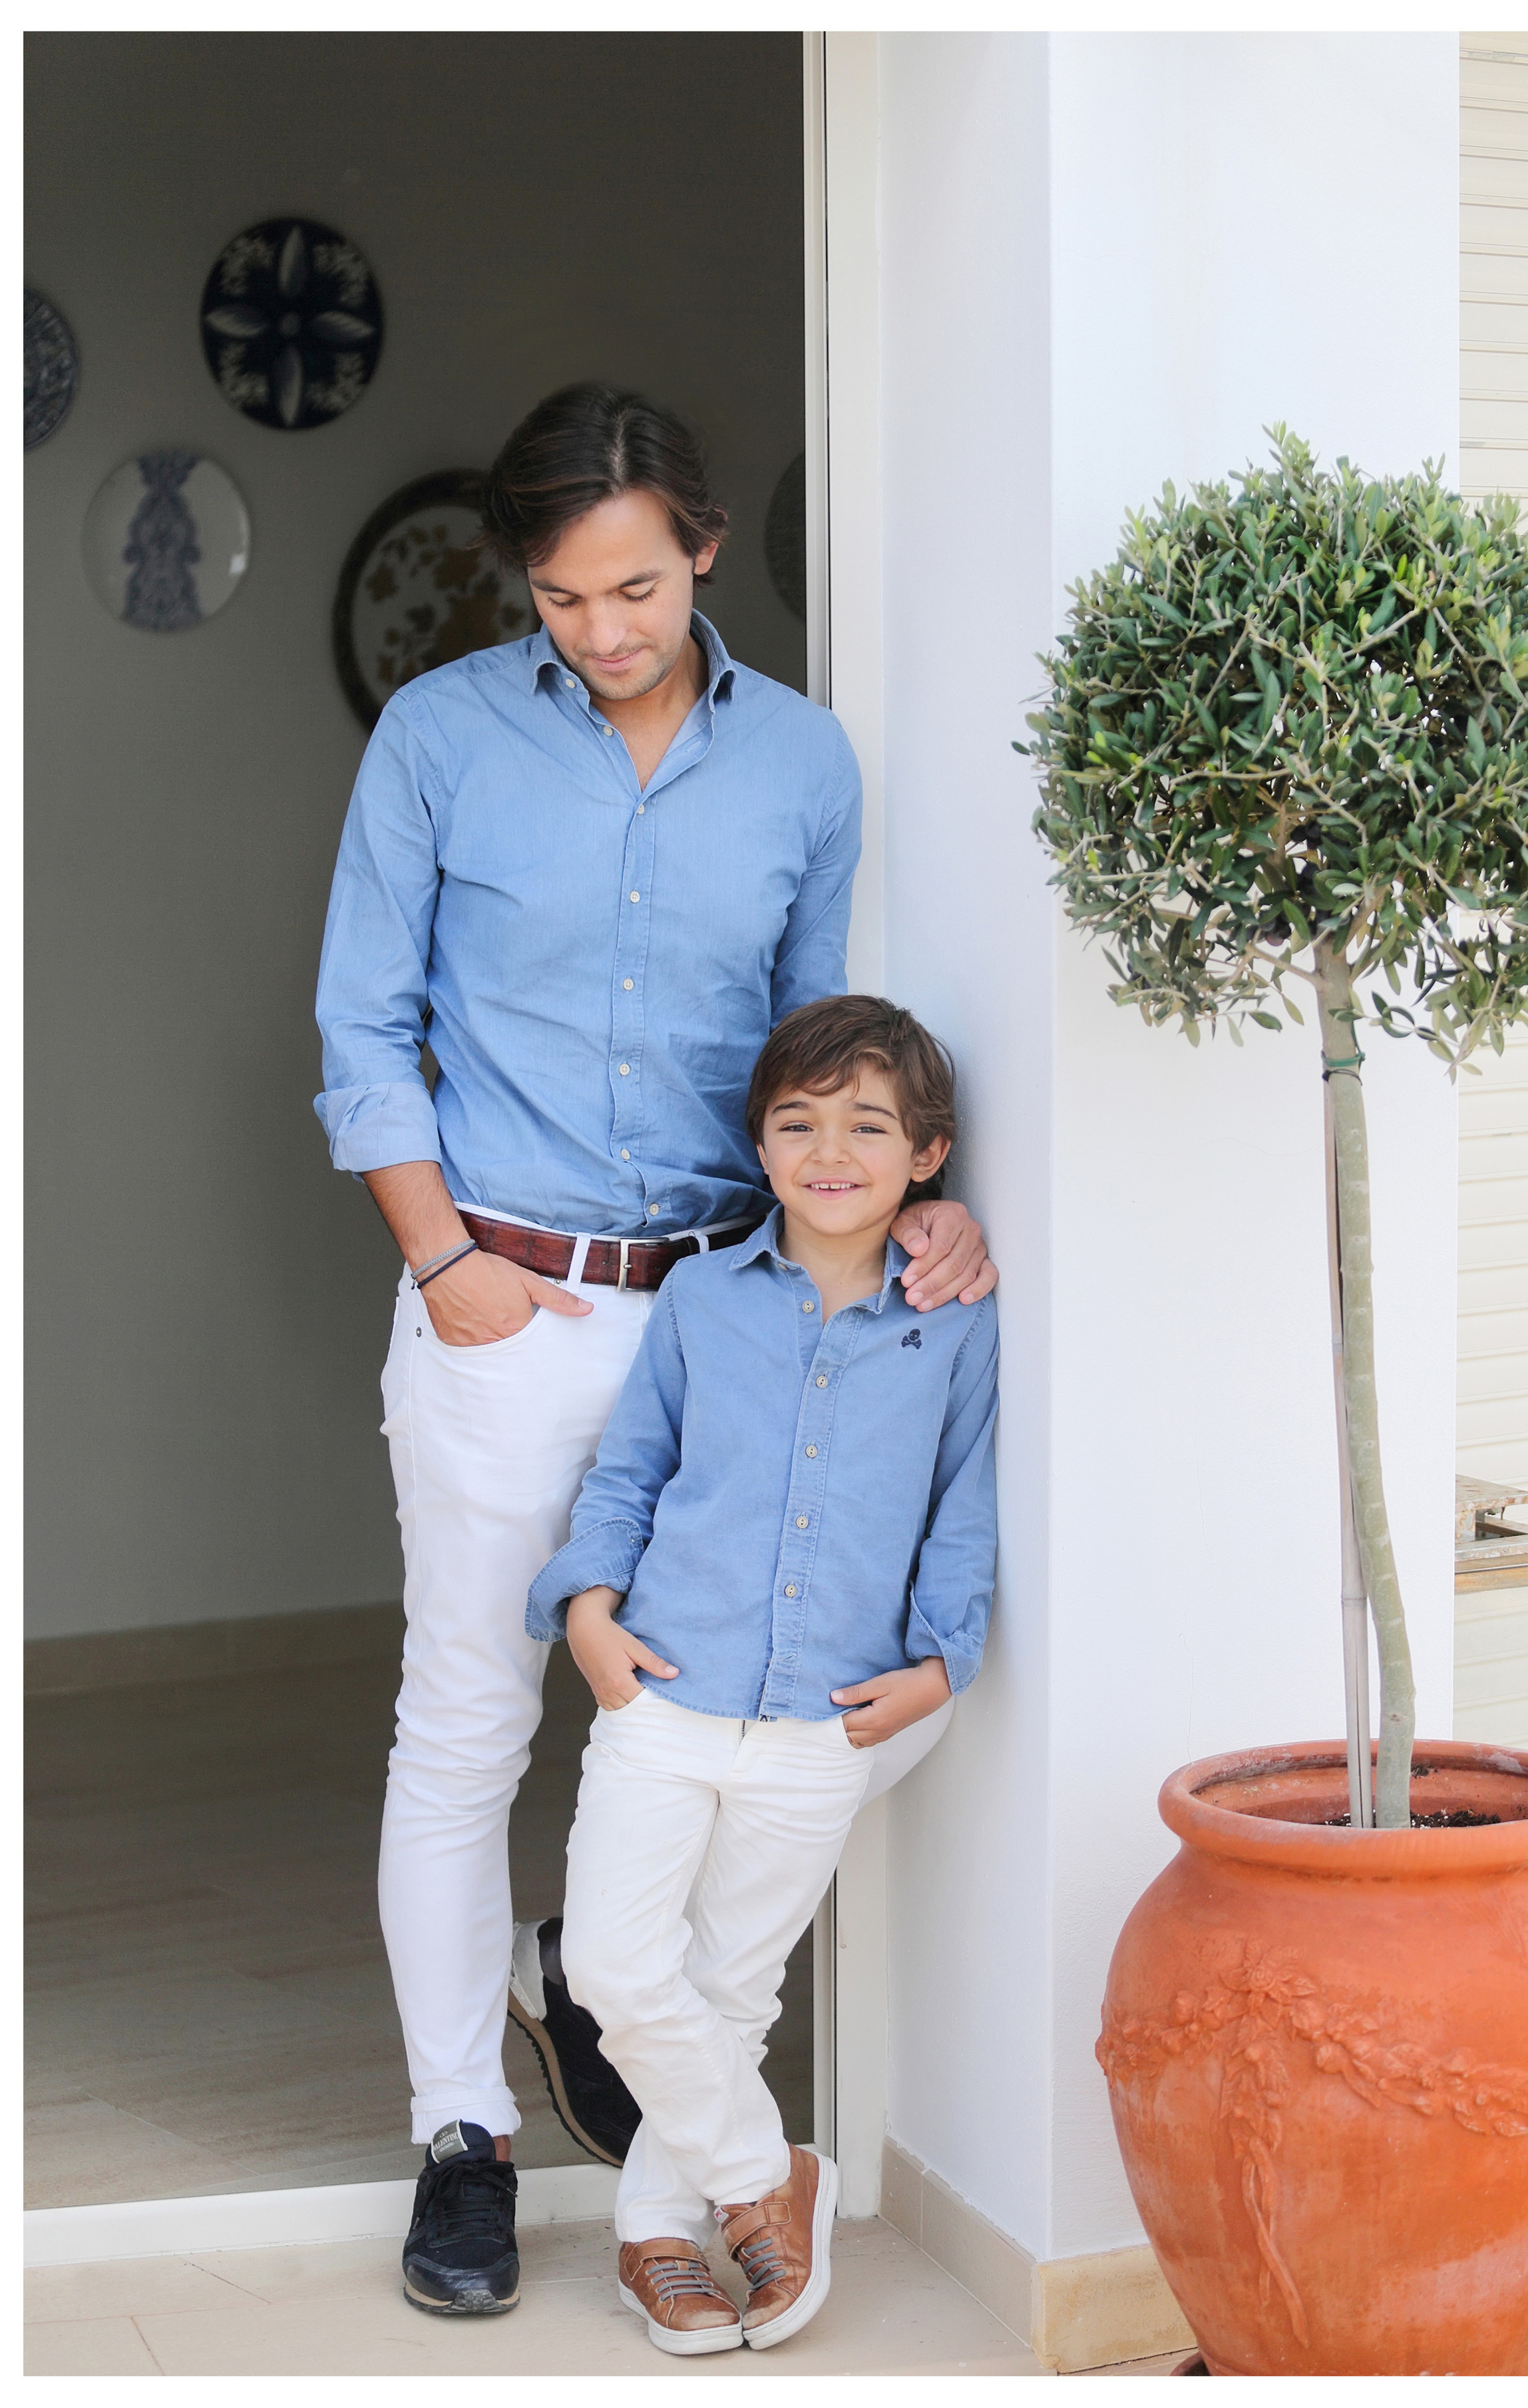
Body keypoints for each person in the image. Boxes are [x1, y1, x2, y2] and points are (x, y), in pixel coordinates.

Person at [313, 383, 994, 2317]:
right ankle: (463, 2132)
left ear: (699, 549)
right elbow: (364, 1027)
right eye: (559, 597)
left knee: (760, 1715)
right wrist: (443, 1259)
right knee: (469, 1719)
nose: (602, 630)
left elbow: (819, 1044)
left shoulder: (801, 761)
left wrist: (921, 1198)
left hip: (737, 1314)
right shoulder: (440, 738)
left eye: (634, 587)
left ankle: (615, 2007)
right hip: (504, 1304)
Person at [525, 995, 998, 2356]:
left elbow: (964, 1505)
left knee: (733, 1986)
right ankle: (763, 2175)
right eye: (798, 1123)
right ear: (760, 1144)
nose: (829, 1151)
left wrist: (943, 1663)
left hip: (823, 1716)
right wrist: (587, 1611)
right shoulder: (700, 1298)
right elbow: (630, 1467)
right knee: (613, 1963)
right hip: (666, 1686)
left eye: (868, 1126)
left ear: (927, 1156)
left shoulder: (955, 1322)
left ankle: (655, 2238)